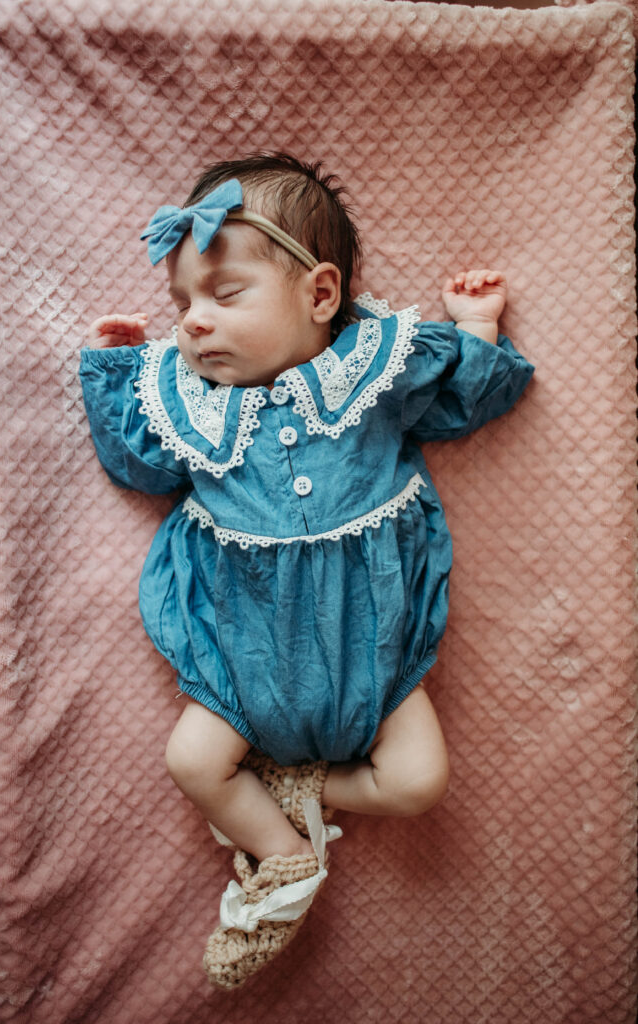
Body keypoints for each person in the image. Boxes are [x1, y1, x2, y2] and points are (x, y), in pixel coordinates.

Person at [80, 153, 534, 987]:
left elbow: (464, 401)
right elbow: (138, 467)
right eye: (181, 304)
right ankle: (285, 853)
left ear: (321, 295)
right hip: (243, 658)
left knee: (419, 782)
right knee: (192, 763)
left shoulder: (373, 371)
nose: (192, 323)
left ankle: (299, 787)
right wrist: (117, 374)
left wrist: (475, 329)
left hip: (374, 651)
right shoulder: (192, 405)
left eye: (225, 295)